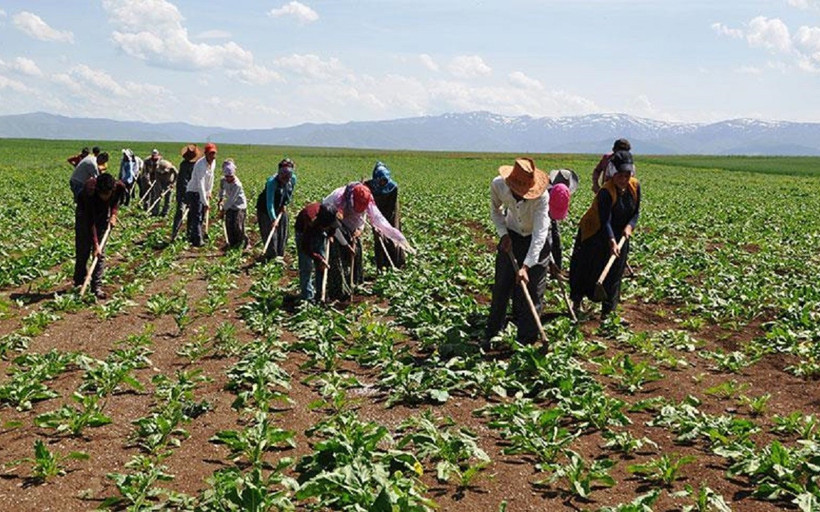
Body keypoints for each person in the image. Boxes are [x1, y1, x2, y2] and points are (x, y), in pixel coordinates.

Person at [485, 157, 557, 347]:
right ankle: (493, 332)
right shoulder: (498, 185)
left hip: (536, 240)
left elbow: (540, 234)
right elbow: (495, 211)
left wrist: (526, 266)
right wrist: (503, 234)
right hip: (512, 234)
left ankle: (526, 340)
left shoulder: (542, 197)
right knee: (502, 285)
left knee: (533, 289)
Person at [570, 150, 641, 319]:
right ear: (613, 174)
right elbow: (605, 220)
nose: (623, 180)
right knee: (587, 268)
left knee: (616, 271)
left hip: (621, 233)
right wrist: (611, 241)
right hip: (595, 232)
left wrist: (630, 226)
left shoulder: (635, 187)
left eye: (627, 175)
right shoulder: (606, 192)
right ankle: (576, 302)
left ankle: (608, 312)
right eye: (620, 176)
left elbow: (636, 212)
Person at [322, 182, 413, 301]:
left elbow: (364, 215)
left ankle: (355, 284)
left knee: (356, 253)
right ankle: (339, 290)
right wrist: (345, 244)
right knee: (338, 256)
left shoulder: (367, 200)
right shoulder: (336, 199)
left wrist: (359, 230)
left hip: (353, 226)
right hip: (334, 225)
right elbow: (332, 225)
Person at [73, 173, 126, 299]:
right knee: (83, 251)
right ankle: (79, 283)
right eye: (102, 194)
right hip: (84, 216)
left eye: (107, 194)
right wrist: (95, 244)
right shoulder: (89, 192)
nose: (105, 197)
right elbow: (90, 221)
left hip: (102, 216)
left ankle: (96, 286)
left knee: (100, 255)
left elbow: (116, 201)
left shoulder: (119, 187)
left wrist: (114, 214)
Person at [294, 201, 346, 302]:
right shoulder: (309, 222)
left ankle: (321, 294)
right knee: (306, 266)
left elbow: (333, 227)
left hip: (319, 232)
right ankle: (307, 296)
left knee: (322, 266)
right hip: (302, 233)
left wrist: (330, 235)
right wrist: (318, 258)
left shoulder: (331, 214)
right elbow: (305, 248)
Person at [364, 161, 405, 270]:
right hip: (375, 213)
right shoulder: (369, 186)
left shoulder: (393, 187)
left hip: (390, 213)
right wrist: (376, 223)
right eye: (380, 180)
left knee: (392, 235)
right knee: (379, 239)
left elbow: (391, 207)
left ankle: (397, 264)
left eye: (384, 180)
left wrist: (384, 224)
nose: (382, 183)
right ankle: (381, 265)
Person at [257, 158, 297, 259]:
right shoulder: (272, 182)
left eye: (287, 176)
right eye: (283, 176)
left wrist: (285, 203)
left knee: (283, 231)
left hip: (280, 206)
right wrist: (273, 218)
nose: (285, 179)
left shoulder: (292, 179)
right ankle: (270, 256)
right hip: (266, 209)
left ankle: (280, 255)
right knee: (271, 233)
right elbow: (269, 203)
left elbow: (290, 192)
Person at [185, 142, 217, 247]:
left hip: (203, 191)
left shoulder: (213, 162)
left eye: (214, 153)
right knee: (197, 215)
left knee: (198, 215)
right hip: (194, 191)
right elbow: (201, 184)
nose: (212, 156)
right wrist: (205, 202)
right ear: (205, 153)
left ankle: (191, 235)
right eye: (210, 153)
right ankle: (198, 240)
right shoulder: (200, 165)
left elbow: (211, 178)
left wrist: (209, 191)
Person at [217, 159, 249, 249]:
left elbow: (231, 199)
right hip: (230, 206)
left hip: (239, 206)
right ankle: (232, 244)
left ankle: (244, 243)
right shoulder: (223, 180)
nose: (228, 178)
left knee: (238, 226)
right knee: (229, 224)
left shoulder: (237, 185)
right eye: (226, 176)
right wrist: (220, 199)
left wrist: (223, 210)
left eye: (230, 176)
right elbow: (222, 190)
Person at [171, 144, 200, 242]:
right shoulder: (184, 165)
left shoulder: (196, 165)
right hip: (183, 193)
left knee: (191, 214)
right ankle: (174, 234)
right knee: (180, 212)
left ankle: (189, 234)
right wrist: (186, 196)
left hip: (193, 193)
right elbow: (183, 182)